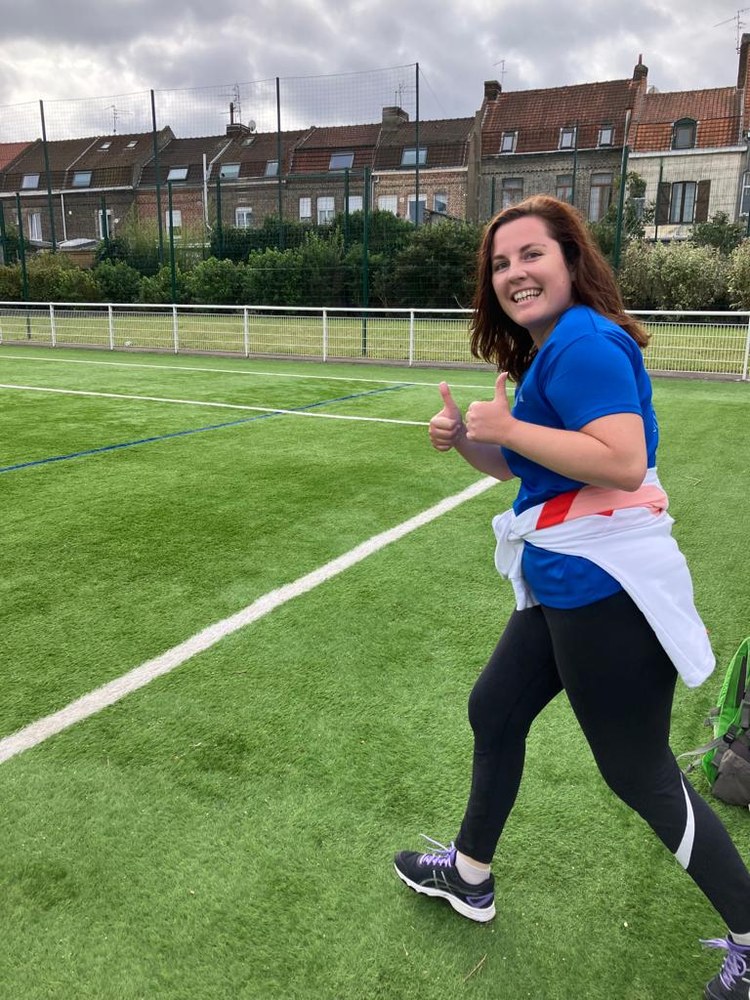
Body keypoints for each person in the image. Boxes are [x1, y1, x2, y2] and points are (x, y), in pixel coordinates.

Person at [393, 195, 750, 999]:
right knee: (496, 709)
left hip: (606, 590)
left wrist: (510, 429)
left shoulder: (584, 340)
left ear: (570, 259)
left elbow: (619, 462)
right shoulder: (552, 347)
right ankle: (470, 875)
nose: (514, 272)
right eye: (500, 262)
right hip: (565, 582)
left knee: (638, 773)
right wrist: (471, 442)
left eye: (531, 254)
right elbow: (533, 468)